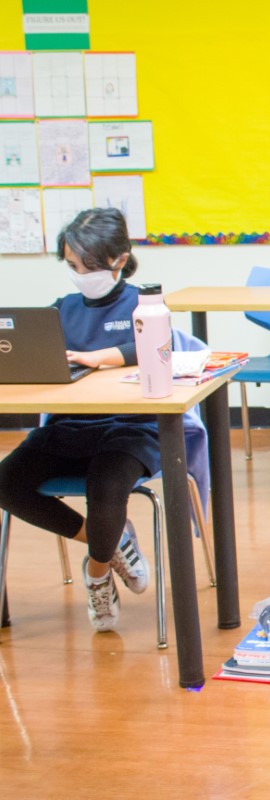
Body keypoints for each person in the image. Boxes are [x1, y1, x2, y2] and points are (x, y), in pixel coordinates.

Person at [0, 208, 151, 633]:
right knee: (6, 482)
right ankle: (112, 541)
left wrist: (95, 358)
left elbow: (152, 347)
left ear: (119, 259)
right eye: (71, 266)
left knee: (104, 486)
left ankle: (98, 573)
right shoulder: (59, 311)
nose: (78, 274)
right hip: (69, 429)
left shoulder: (144, 303)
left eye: (87, 266)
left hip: (129, 430)